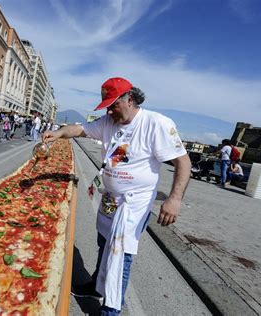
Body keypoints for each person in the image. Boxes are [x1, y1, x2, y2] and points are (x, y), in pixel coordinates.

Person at [42, 77, 191, 315]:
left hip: (135, 202)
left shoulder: (157, 123)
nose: (109, 111)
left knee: (120, 253)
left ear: (130, 99)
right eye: (107, 106)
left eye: (114, 105)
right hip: (110, 197)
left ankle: (111, 309)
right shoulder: (109, 121)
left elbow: (183, 162)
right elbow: (80, 129)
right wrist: (59, 132)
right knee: (103, 242)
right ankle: (96, 286)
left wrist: (174, 199)